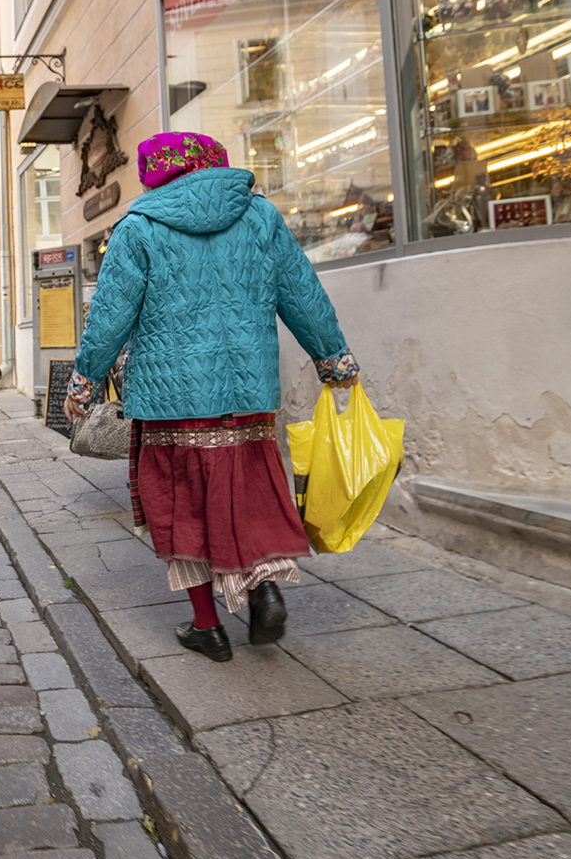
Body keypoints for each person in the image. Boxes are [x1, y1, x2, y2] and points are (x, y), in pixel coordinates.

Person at [66, 132, 360, 663]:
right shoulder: (259, 217)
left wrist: (84, 382)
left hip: (169, 400)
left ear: (156, 173)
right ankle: (263, 588)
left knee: (183, 506)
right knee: (248, 493)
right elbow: (301, 293)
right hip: (246, 393)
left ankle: (209, 627)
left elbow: (110, 317)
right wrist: (333, 359)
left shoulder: (138, 228)